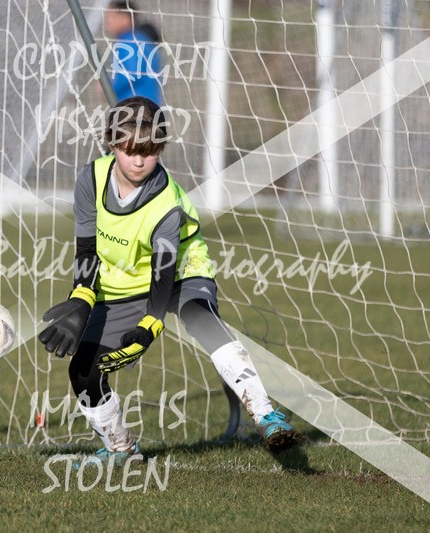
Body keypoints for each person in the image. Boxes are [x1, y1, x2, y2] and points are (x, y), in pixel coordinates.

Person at [38, 97, 302, 464]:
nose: (140, 160)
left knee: (200, 318)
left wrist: (148, 325)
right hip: (123, 283)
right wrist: (82, 299)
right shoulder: (91, 179)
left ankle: (265, 414)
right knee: (82, 371)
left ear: (160, 148)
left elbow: (163, 275)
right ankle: (121, 449)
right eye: (130, 150)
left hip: (179, 273)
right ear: (112, 144)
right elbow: (86, 248)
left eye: (149, 151)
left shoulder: (166, 203)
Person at [103, 1, 164, 105]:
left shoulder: (129, 41)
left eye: (111, 18)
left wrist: (107, 86)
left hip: (134, 108)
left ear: (125, 18)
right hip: (150, 105)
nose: (107, 23)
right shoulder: (143, 40)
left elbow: (130, 74)